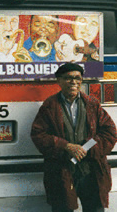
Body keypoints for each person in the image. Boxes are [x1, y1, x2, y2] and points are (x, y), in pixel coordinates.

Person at [31, 63, 116, 212]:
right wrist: (66, 146)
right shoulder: (49, 106)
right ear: (59, 81)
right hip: (61, 171)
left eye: (77, 78)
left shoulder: (92, 104)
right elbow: (39, 135)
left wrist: (87, 148)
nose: (74, 82)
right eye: (68, 78)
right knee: (62, 208)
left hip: (91, 171)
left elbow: (109, 132)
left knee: (95, 208)